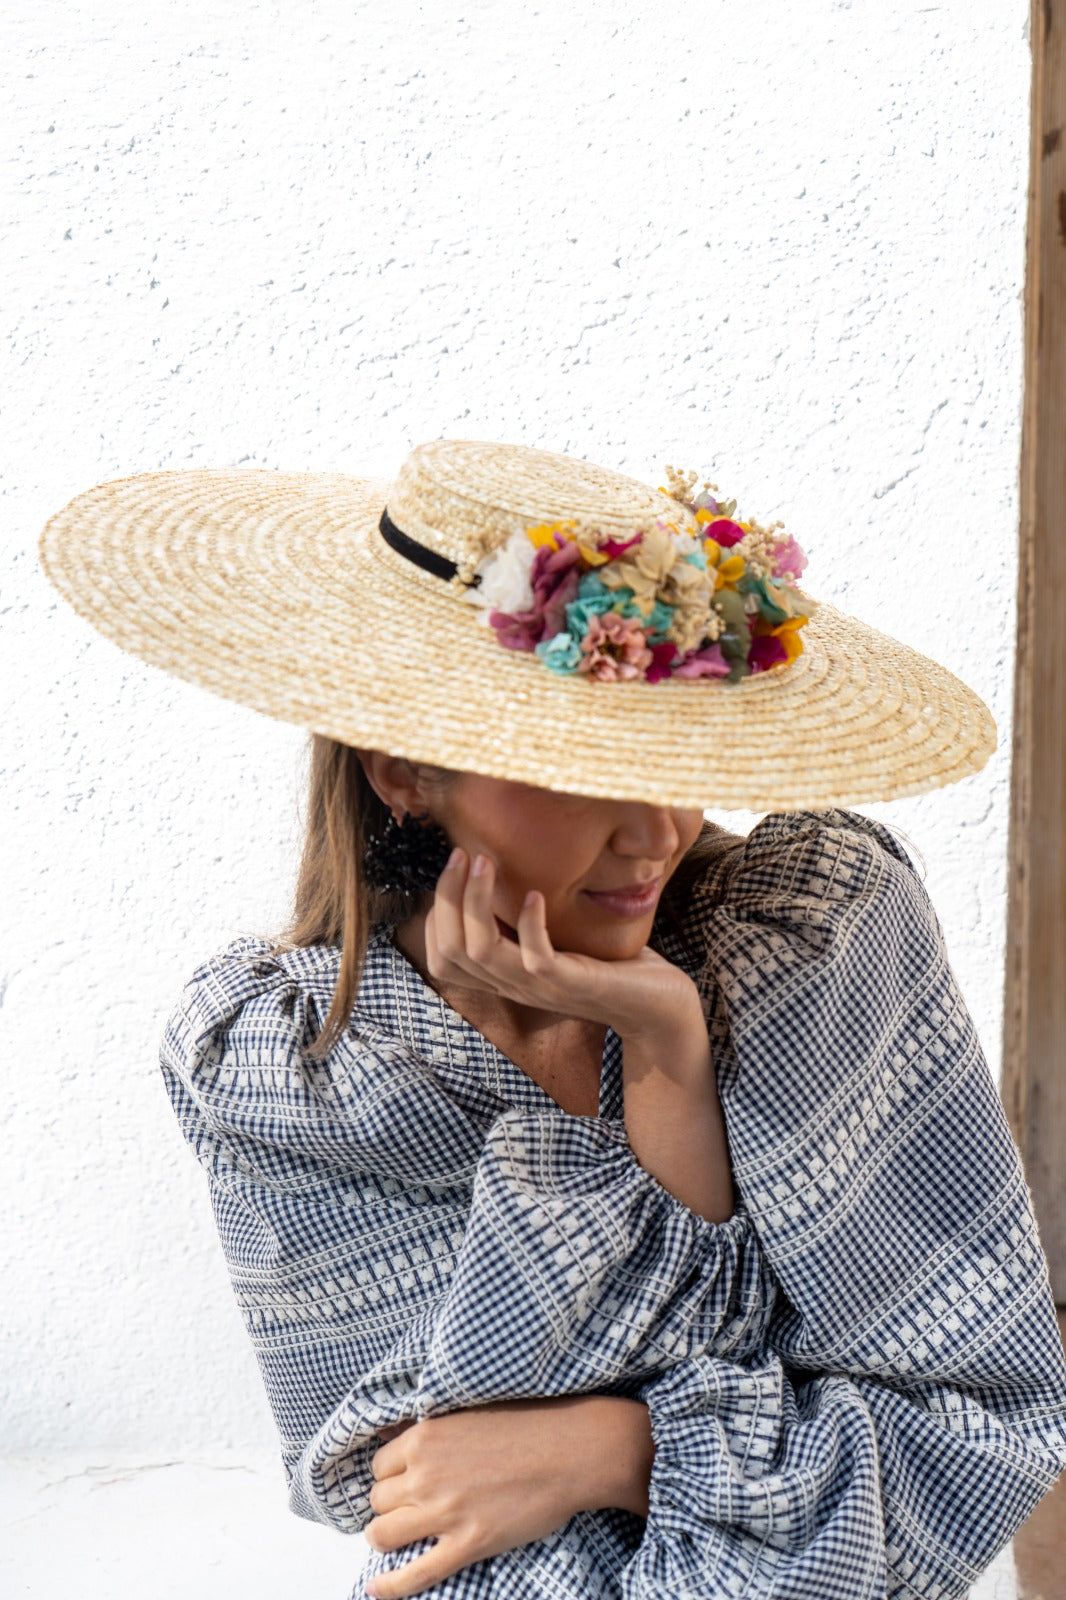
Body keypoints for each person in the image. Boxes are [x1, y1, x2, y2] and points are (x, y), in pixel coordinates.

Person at [38, 438, 1066, 1599]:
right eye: (578, 768)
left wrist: (621, 1446)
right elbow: (417, 1497)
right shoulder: (293, 1071)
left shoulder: (818, 942)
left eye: (678, 752)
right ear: (401, 772)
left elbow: (979, 1424)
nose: (656, 831)